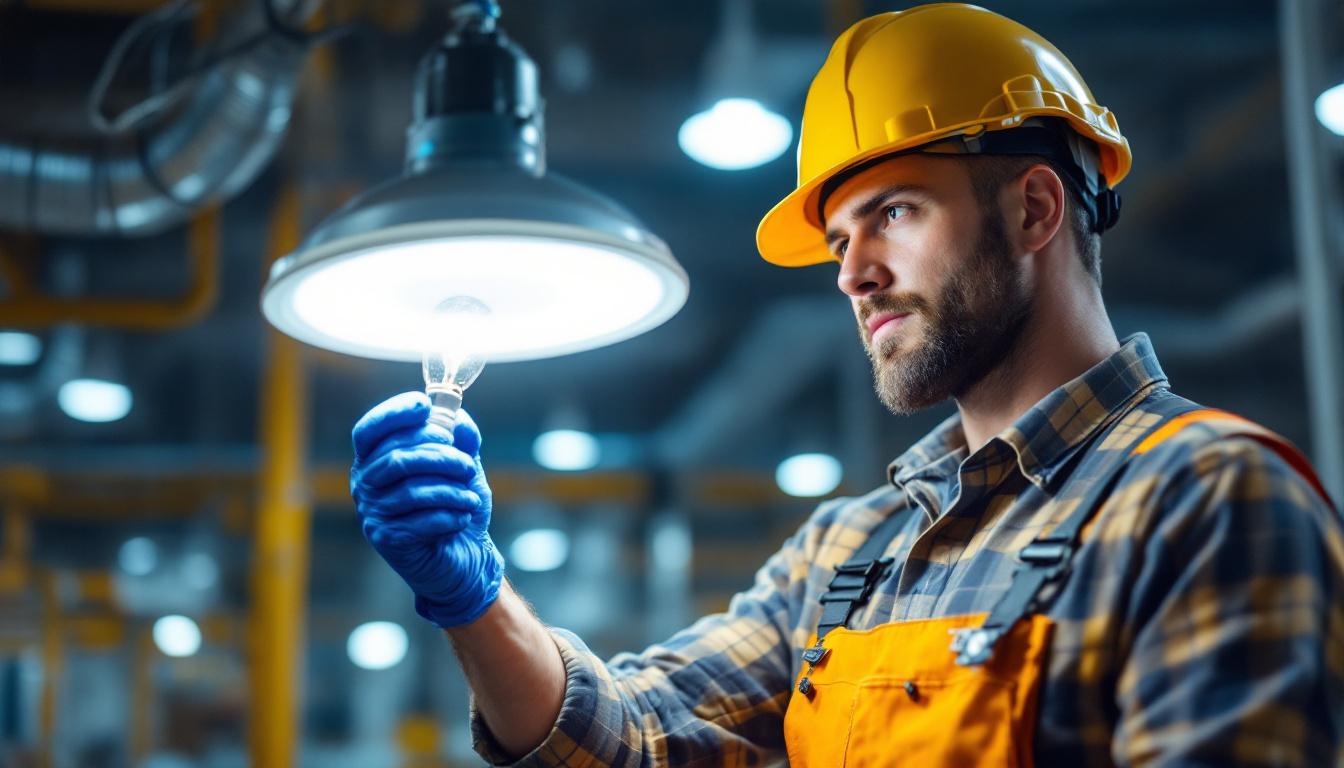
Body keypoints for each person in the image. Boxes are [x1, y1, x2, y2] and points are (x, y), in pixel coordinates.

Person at [348, 4, 1344, 766]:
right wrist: (473, 595)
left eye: (895, 212)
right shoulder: (851, 552)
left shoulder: (1205, 501)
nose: (851, 271)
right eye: (839, 237)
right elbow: (634, 739)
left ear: (1036, 208)